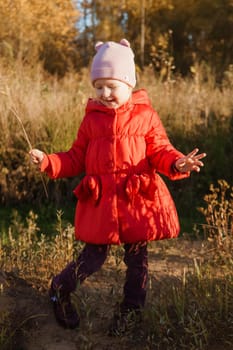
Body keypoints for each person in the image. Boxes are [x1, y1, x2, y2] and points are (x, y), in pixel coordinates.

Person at [29, 39, 206, 334]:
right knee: (93, 257)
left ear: (129, 83)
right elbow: (75, 158)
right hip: (102, 204)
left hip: (135, 202)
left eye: (112, 85)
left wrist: (177, 163)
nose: (104, 93)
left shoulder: (145, 116)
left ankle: (131, 312)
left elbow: (161, 150)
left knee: (137, 261)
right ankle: (60, 288)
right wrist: (48, 161)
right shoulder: (91, 121)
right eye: (98, 86)